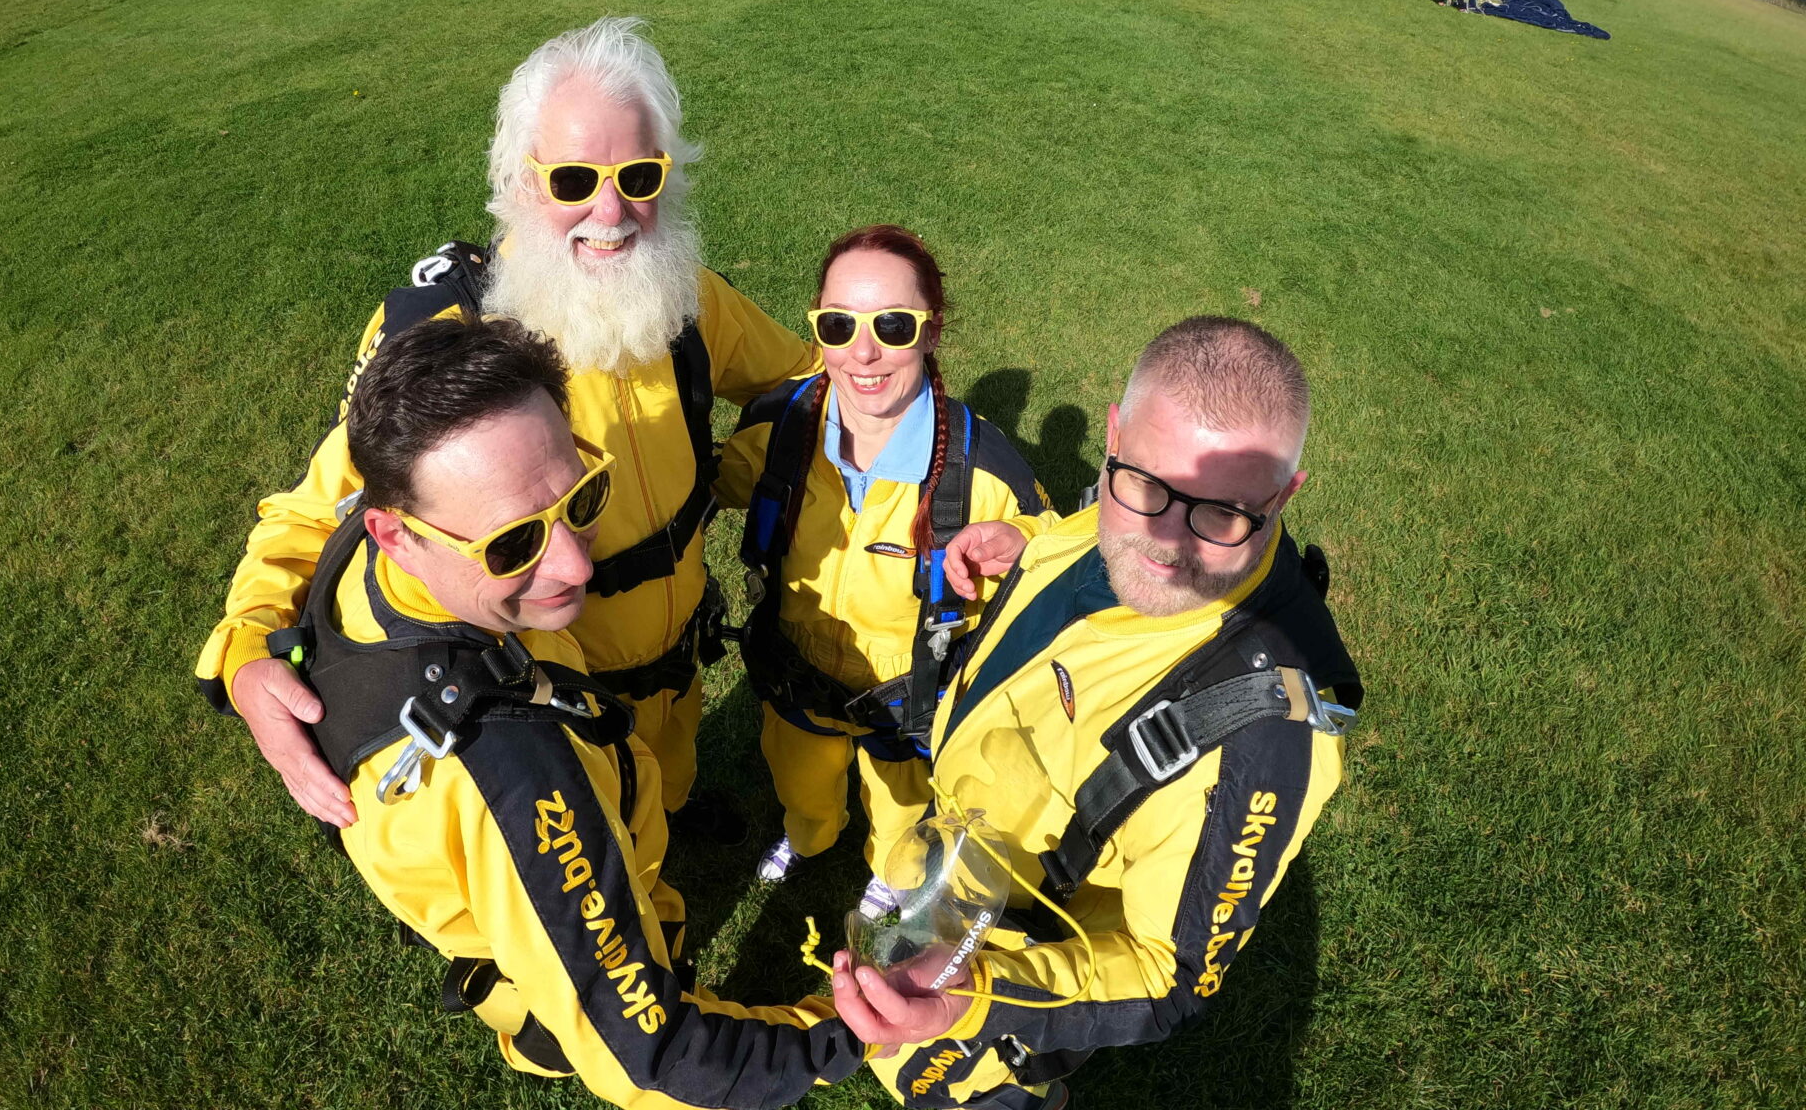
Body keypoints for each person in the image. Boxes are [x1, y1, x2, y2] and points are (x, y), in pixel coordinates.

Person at [195, 17, 817, 843]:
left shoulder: (687, 296)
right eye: (572, 180)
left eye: (638, 175)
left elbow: (806, 380)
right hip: (551, 701)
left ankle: (674, 808)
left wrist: (761, 458)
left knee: (667, 791)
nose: (611, 211)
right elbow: (318, 513)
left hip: (680, 666)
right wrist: (245, 647)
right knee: (606, 860)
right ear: (520, 183)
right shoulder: (454, 343)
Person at [285, 313, 861, 1103]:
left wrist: (248, 653)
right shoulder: (514, 775)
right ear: (395, 534)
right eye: (513, 544)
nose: (574, 564)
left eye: (584, 496)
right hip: (554, 953)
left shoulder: (375, 541)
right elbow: (656, 1060)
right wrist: (852, 1033)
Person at [831, 317, 1363, 1109]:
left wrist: (976, 999)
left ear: (1284, 496)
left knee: (944, 1086)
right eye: (1143, 485)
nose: (1165, 548)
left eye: (1222, 516)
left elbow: (1166, 975)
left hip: (1010, 959)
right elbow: (1085, 543)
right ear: (1114, 439)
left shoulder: (1261, 741)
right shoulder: (1120, 511)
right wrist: (1029, 544)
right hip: (955, 861)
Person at [716, 226, 1049, 885]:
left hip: (909, 700)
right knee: (801, 785)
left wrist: (1026, 545)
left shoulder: (983, 469)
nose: (863, 352)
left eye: (893, 325)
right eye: (838, 325)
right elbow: (705, 488)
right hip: (795, 676)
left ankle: (890, 876)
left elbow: (1066, 561)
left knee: (901, 814)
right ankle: (809, 836)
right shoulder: (782, 429)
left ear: (932, 331)